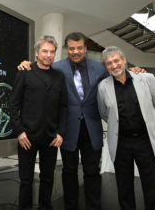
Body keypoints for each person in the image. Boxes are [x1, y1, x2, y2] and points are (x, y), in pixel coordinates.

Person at [17, 32, 145, 210]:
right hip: (67, 130)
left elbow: (117, 73)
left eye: (79, 48)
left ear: (85, 48)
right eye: (71, 48)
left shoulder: (99, 68)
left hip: (92, 129)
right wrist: (26, 64)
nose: (75, 51)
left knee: (92, 172)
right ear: (66, 50)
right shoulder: (58, 67)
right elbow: (41, 65)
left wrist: (135, 71)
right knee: (69, 172)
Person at [97, 46, 155, 210]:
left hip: (146, 141)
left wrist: (152, 126)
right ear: (105, 66)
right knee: (124, 188)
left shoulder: (146, 78)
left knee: (152, 188)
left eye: (116, 60)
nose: (114, 65)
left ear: (124, 60)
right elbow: (103, 113)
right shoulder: (103, 87)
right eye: (109, 63)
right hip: (121, 143)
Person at [10, 35, 68, 210]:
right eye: (45, 51)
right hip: (27, 137)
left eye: (52, 51)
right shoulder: (25, 72)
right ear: (36, 52)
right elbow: (13, 104)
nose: (48, 55)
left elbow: (64, 107)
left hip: (51, 137)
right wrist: (19, 131)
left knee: (48, 178)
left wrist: (61, 133)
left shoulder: (60, 77)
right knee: (26, 180)